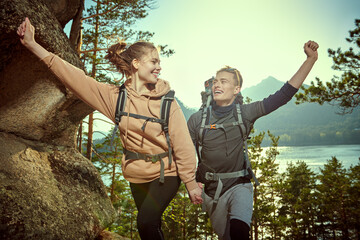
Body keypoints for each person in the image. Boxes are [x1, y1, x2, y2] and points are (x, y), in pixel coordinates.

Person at [17, 17, 202, 240]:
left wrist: (190, 183)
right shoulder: (115, 98)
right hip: (137, 175)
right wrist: (32, 44)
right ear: (136, 64)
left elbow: (183, 144)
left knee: (145, 223)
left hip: (167, 173)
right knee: (150, 228)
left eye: (159, 61)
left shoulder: (167, 102)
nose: (159, 66)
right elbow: (74, 77)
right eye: (153, 61)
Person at [187, 41, 319, 239]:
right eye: (215, 81)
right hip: (211, 192)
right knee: (225, 236)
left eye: (224, 81)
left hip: (240, 185)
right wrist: (191, 183)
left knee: (240, 233)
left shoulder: (245, 113)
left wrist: (311, 59)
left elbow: (283, 95)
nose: (217, 84)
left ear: (236, 89)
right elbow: (184, 153)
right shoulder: (198, 119)